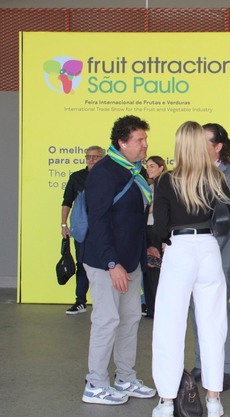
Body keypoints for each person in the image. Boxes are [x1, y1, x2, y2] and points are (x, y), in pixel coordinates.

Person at [151, 121, 230, 417]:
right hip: (209, 250)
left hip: (179, 249)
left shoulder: (167, 180)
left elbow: (160, 226)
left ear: (179, 146)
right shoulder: (216, 177)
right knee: (213, 325)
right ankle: (213, 399)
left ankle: (166, 401)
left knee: (169, 326)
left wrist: (164, 241)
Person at [81, 115, 156, 405]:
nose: (145, 144)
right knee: (107, 320)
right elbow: (98, 222)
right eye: (139, 140)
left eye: (145, 139)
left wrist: (145, 249)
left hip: (131, 261)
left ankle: (125, 377)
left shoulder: (135, 172)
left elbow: (134, 219)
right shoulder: (104, 173)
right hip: (107, 263)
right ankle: (95, 384)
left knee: (130, 319)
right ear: (122, 143)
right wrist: (112, 264)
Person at [190, 123, 230, 390]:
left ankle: (227, 368)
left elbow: (227, 221)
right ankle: (201, 363)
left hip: (221, 253)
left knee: (218, 308)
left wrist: (206, 252)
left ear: (218, 147)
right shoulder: (194, 172)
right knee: (197, 308)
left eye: (204, 142)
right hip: (198, 252)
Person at [61, 145, 105, 314]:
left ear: (103, 158)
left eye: (95, 156)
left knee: (105, 264)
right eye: (88, 157)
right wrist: (63, 225)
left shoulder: (109, 176)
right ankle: (80, 301)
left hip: (104, 228)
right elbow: (67, 202)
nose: (91, 160)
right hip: (82, 229)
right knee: (81, 264)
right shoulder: (77, 177)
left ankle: (104, 302)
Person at [143, 155, 168, 318]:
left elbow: (156, 209)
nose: (148, 169)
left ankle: (158, 308)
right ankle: (151, 307)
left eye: (152, 166)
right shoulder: (150, 187)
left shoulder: (164, 186)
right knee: (149, 269)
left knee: (157, 270)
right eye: (147, 166)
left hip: (158, 231)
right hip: (147, 230)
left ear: (161, 167)